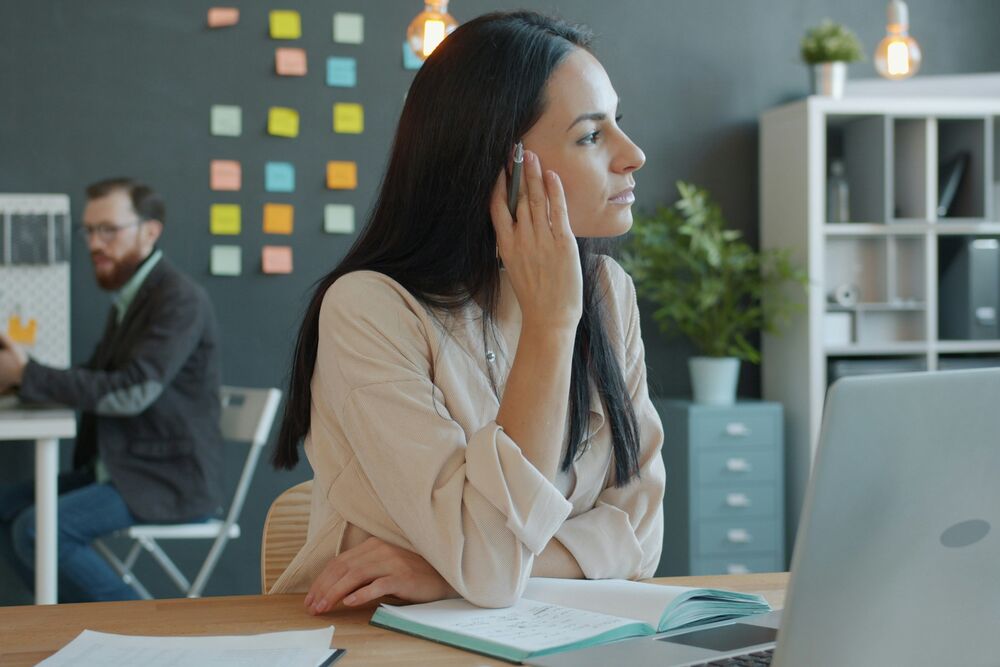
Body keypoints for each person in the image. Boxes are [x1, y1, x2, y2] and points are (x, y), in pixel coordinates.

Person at [270, 10, 665, 613]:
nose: (632, 154)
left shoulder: (608, 292)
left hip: (550, 637)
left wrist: (446, 572)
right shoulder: (370, 309)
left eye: (619, 124)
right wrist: (552, 326)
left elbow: (640, 535)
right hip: (380, 641)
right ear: (502, 166)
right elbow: (491, 565)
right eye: (591, 135)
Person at [0, 178, 224, 602]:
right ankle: (75, 626)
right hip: (120, 468)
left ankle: (139, 632)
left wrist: (26, 372)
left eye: (108, 230)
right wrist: (18, 378)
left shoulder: (178, 299)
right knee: (7, 510)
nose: (94, 244)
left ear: (150, 231)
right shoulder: (131, 299)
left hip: (163, 479)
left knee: (37, 528)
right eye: (88, 230)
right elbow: (96, 377)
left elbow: (131, 391)